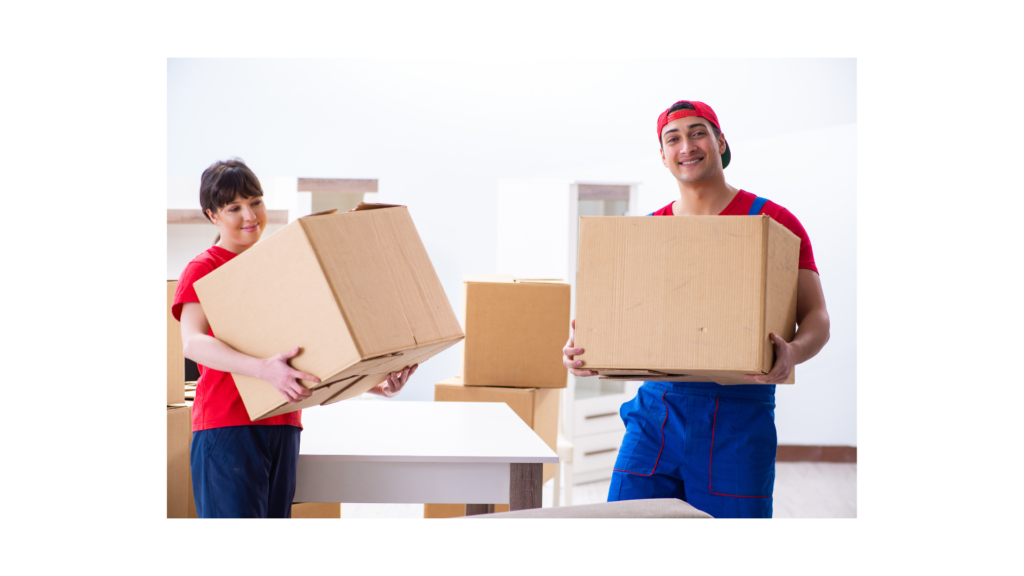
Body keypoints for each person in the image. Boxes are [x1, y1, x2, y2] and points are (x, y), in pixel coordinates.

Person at [561, 100, 830, 518]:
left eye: (698, 132)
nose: (687, 145)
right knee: (625, 527)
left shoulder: (773, 222)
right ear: (663, 156)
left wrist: (793, 352)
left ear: (720, 141)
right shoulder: (648, 232)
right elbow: (622, 317)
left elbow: (817, 317)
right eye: (674, 138)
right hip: (657, 412)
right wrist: (586, 346)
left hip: (739, 414)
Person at [173, 158, 418, 518]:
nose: (250, 215)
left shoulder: (278, 267)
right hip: (229, 426)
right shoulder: (204, 267)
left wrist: (373, 384)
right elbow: (192, 343)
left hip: (284, 424)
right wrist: (262, 369)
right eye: (234, 208)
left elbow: (310, 352)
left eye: (255, 202)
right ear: (213, 216)